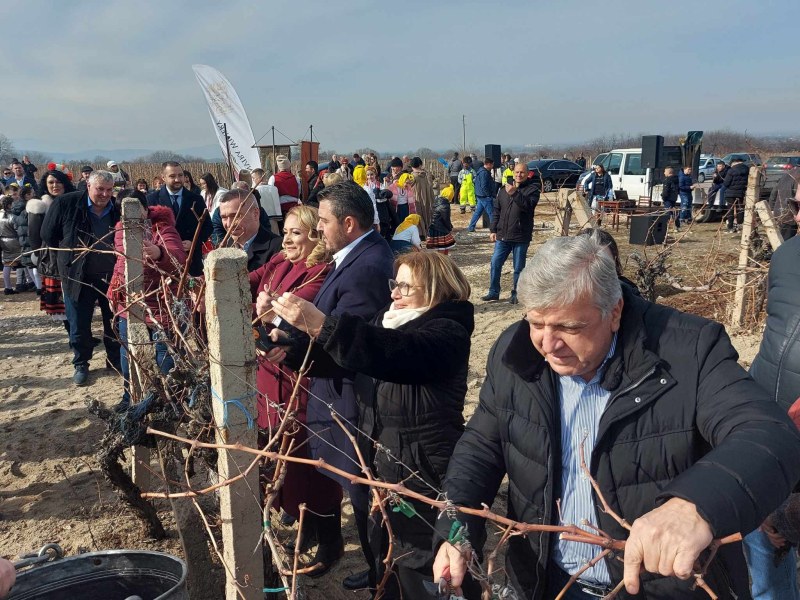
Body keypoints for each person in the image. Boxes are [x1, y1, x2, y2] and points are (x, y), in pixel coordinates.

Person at [432, 232, 800, 600]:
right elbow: (480, 447)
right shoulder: (516, 352)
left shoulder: (689, 350)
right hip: (549, 582)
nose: (548, 344)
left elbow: (768, 433)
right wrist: (456, 531)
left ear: (615, 312)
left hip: (662, 589)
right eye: (536, 323)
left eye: (570, 327)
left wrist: (697, 503)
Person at [271, 251, 474, 599]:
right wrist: (292, 348)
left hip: (424, 469)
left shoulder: (448, 331)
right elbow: (353, 362)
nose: (394, 293)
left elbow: (398, 354)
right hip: (380, 461)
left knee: (422, 559)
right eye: (395, 284)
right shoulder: (389, 319)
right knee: (386, 550)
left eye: (406, 287)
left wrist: (324, 326)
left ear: (438, 289)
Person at [265, 181, 394, 588]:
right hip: (337, 389)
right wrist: (292, 342)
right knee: (358, 493)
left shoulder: (368, 266)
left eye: (322, 221)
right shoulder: (354, 257)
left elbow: (350, 341)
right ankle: (378, 569)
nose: (318, 229)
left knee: (363, 494)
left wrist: (300, 344)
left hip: (350, 397)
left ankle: (382, 576)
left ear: (349, 223)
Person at [250, 205, 336, 551]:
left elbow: (290, 321)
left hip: (296, 380)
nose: (286, 238)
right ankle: (300, 521)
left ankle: (321, 535)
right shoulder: (281, 262)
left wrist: (264, 312)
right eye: (284, 231)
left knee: (302, 457)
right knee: (278, 454)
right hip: (269, 377)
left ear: (315, 235)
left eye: (296, 232)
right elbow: (248, 282)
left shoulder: (319, 271)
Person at [743, 192, 800, 600]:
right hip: (770, 420)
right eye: (797, 205)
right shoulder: (788, 256)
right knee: (766, 561)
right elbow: (776, 338)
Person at [107, 190, 186, 411]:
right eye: (124, 211)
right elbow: (120, 265)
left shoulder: (162, 228)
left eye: (135, 209)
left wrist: (159, 252)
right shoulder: (119, 230)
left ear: (145, 209)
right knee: (129, 357)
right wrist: (113, 291)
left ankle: (169, 403)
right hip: (129, 305)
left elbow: (178, 260)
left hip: (160, 305)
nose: (129, 215)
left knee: (165, 360)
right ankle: (130, 397)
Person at [41, 170, 122, 385]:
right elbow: (48, 235)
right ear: (88, 186)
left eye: (108, 189)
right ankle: (81, 363)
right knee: (78, 323)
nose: (105, 194)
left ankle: (114, 360)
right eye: (99, 189)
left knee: (113, 320)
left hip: (110, 276)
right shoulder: (66, 204)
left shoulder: (117, 208)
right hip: (77, 275)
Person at [484, 161, 540, 304]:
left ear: (527, 174)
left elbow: (528, 206)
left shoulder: (533, 190)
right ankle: (493, 291)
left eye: (522, 172)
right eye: (516, 172)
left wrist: (515, 193)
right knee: (495, 263)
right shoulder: (503, 190)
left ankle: (516, 293)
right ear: (512, 173)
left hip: (521, 236)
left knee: (518, 268)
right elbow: (497, 211)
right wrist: (493, 229)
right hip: (503, 236)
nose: (519, 175)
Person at [146, 161, 212, 276]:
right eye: (172, 176)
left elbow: (207, 226)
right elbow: (146, 229)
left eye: (180, 175)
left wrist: (194, 242)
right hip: (163, 260)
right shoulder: (152, 200)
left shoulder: (196, 199)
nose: (177, 179)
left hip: (191, 259)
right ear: (163, 177)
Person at [31, 168, 75, 325]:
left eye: (58, 182)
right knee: (61, 300)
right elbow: (35, 234)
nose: (55, 185)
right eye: (51, 182)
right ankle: (72, 333)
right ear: (45, 184)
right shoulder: (40, 205)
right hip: (52, 255)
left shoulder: (74, 201)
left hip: (74, 250)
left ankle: (79, 332)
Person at [217, 189, 282, 271]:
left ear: (255, 214)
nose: (229, 224)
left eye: (236, 216)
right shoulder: (223, 248)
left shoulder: (277, 249)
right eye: (224, 217)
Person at [0, 195, 22, 295]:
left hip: (3, 241)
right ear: (9, 205)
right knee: (23, 262)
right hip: (13, 241)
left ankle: (8, 287)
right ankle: (24, 283)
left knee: (6, 264)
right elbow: (17, 229)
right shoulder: (13, 216)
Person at [467, 157, 496, 232]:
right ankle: (494, 230)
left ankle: (471, 227)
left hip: (480, 195)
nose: (493, 166)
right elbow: (484, 186)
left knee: (478, 213)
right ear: (488, 164)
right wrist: (488, 195)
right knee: (492, 213)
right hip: (485, 196)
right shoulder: (484, 173)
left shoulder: (481, 171)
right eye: (492, 165)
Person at [426, 185, 455, 254]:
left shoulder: (438, 201)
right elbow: (446, 219)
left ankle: (439, 260)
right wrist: (450, 228)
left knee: (437, 248)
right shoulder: (445, 205)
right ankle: (443, 260)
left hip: (433, 227)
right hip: (440, 229)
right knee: (443, 247)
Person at [723, 157, 749, 233]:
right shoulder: (747, 169)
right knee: (740, 209)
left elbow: (726, 183)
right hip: (741, 192)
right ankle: (739, 226)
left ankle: (730, 227)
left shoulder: (732, 170)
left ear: (735, 162)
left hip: (731, 193)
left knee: (730, 210)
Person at [410, 157, 434, 235]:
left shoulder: (412, 176)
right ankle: (428, 230)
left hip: (417, 198)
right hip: (428, 198)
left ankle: (421, 233)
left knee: (418, 214)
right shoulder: (427, 174)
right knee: (427, 213)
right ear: (420, 164)